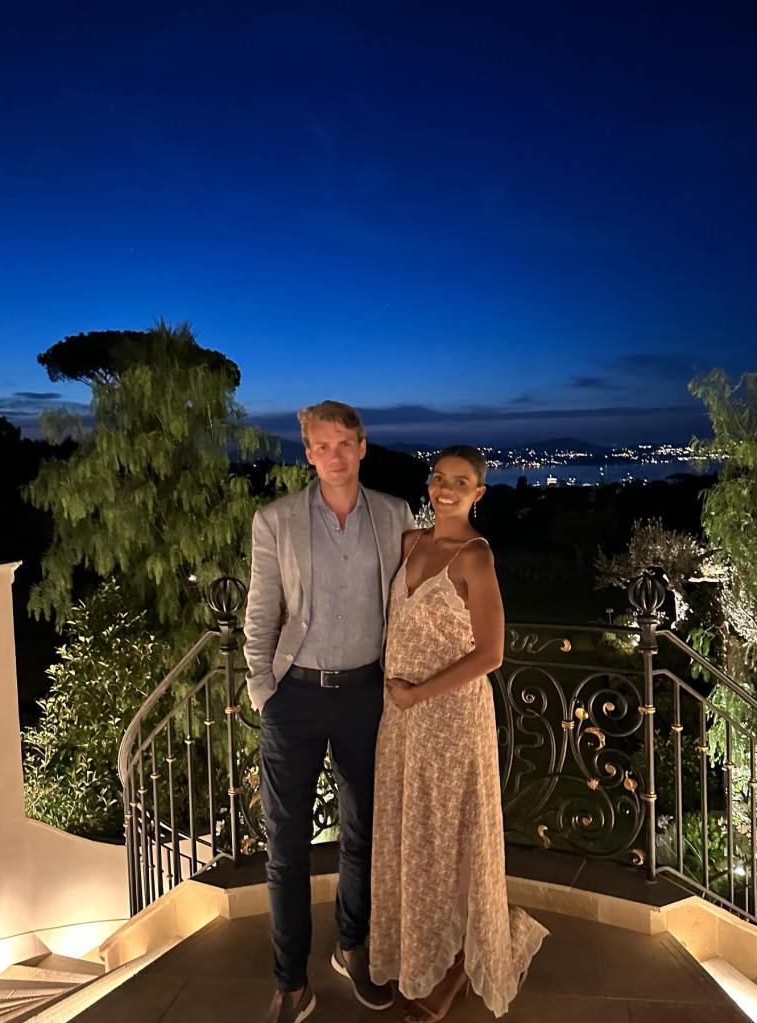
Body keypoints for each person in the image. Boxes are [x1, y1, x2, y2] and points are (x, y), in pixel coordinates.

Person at [244, 400, 415, 1023]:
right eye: (323, 445)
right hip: (294, 697)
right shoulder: (276, 520)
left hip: (367, 695)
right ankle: (292, 983)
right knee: (285, 847)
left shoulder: (394, 515)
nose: (335, 455)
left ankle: (352, 947)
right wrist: (264, 691)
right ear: (309, 453)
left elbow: (411, 604)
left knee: (363, 835)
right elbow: (261, 611)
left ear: (362, 447)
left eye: (345, 443)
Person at [369, 445, 548, 1021]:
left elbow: (491, 654)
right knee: (412, 836)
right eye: (439, 478)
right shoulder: (409, 543)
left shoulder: (476, 558)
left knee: (449, 840)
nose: (446, 490)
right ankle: (418, 950)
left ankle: (452, 966)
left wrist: (418, 694)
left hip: (450, 721)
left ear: (479, 493)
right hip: (401, 722)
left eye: (461, 482)